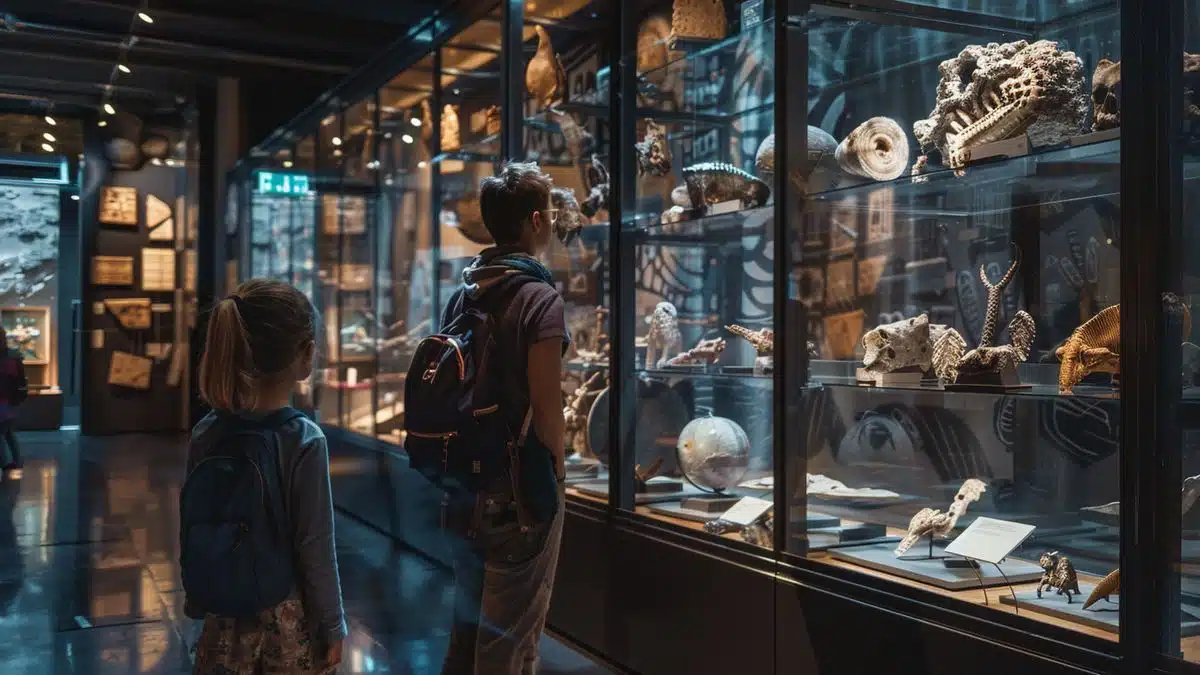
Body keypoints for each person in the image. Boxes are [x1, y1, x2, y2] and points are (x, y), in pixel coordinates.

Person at [439, 161, 568, 675]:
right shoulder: (539, 298)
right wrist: (555, 472)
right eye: (552, 214)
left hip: (464, 485)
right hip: (518, 492)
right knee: (511, 640)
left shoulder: (464, 292)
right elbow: (547, 406)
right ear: (535, 221)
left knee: (467, 629)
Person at [187, 279, 346, 675]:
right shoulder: (304, 439)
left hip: (221, 616)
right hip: (284, 621)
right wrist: (332, 624)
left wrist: (195, 597)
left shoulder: (206, 431)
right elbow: (315, 549)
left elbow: (191, 524)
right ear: (305, 356)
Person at [0, 328, 26, 481]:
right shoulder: (13, 357)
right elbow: (18, 380)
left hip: (2, 400)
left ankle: (6, 462)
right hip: (10, 401)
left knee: (2, 433)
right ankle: (16, 460)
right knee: (8, 432)